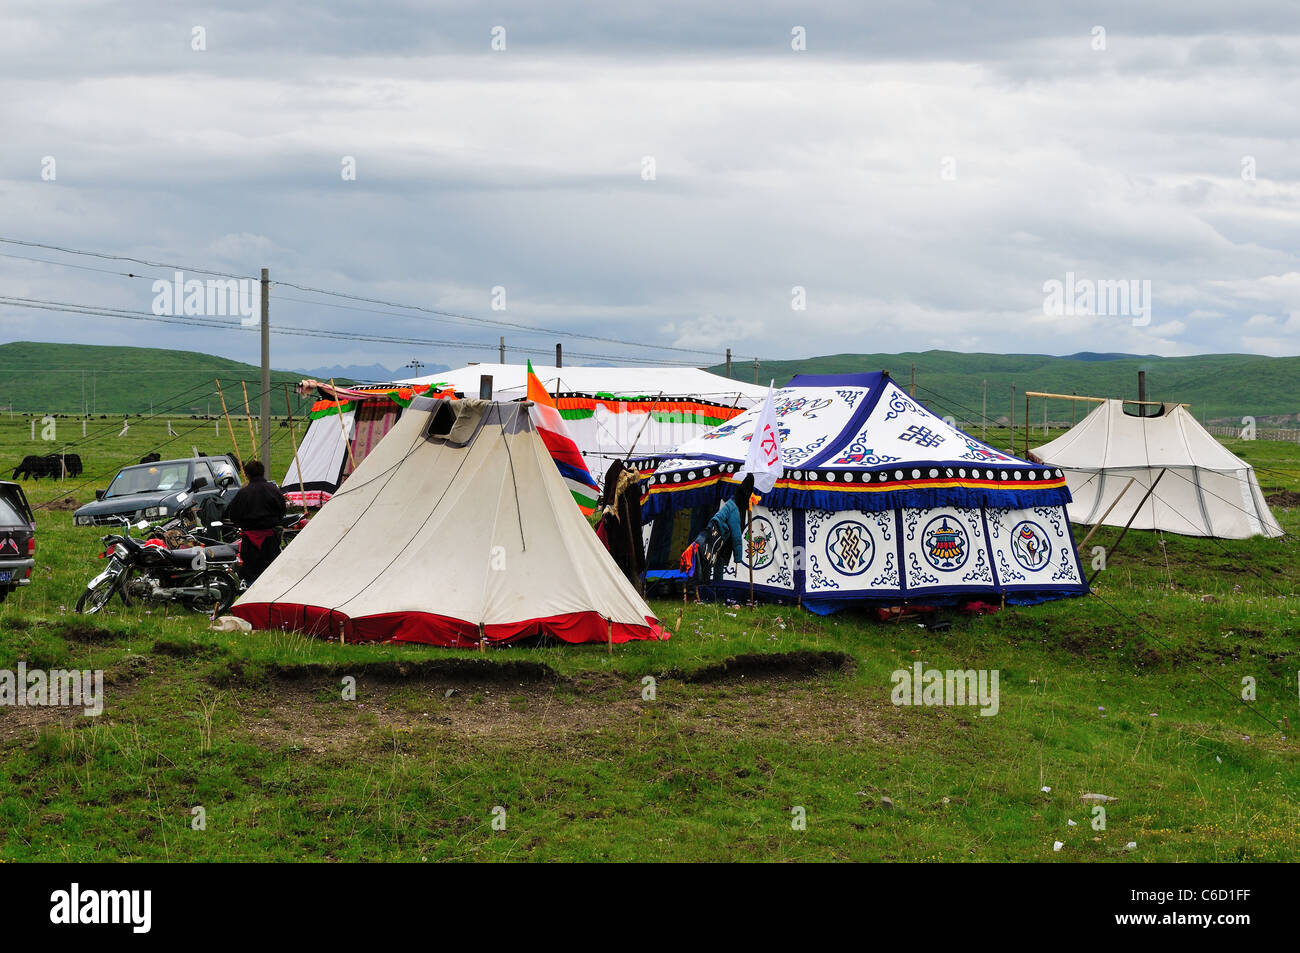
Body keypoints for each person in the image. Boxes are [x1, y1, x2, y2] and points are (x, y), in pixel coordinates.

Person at [224, 459, 287, 584]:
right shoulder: (274, 490)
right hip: (270, 539)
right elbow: (282, 511)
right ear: (263, 473)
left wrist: (241, 523)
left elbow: (234, 515)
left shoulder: (244, 493)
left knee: (251, 571)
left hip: (250, 539)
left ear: (247, 474)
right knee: (270, 569)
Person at [696, 474, 754, 587]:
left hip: (714, 534)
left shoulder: (731, 503)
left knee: (715, 560)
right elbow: (736, 535)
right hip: (716, 536)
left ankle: (711, 589)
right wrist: (738, 558)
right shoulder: (735, 511)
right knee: (713, 561)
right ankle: (708, 589)